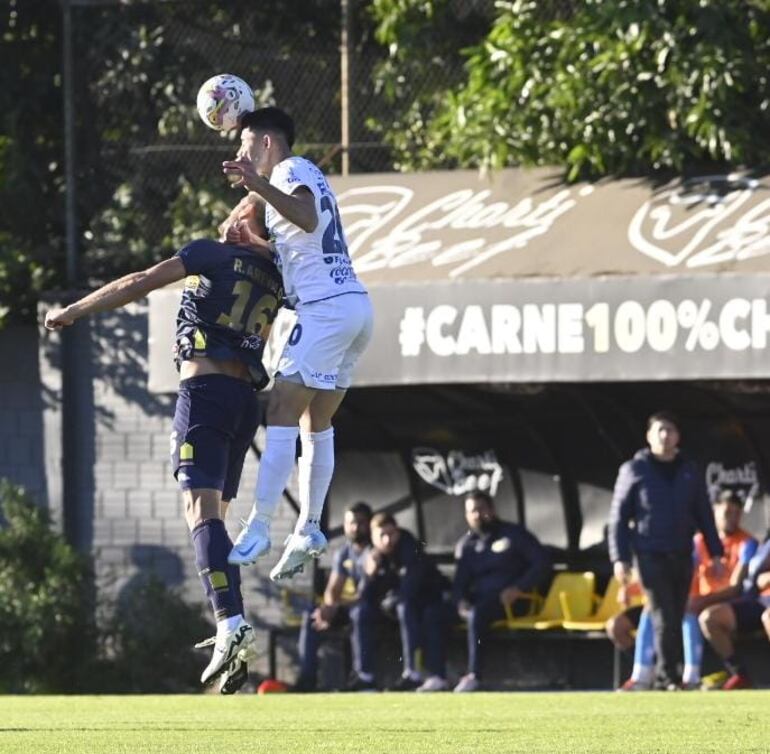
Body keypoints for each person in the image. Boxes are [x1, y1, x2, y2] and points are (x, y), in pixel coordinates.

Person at [44, 198, 283, 693]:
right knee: (215, 517)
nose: (232, 212)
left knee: (199, 512)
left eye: (241, 208)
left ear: (243, 225)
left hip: (205, 393)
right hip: (244, 402)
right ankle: (231, 629)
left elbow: (139, 281)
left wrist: (74, 310)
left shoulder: (212, 253)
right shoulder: (277, 275)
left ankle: (229, 624)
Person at [221, 107, 374, 582]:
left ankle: (261, 525)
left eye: (246, 145)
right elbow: (302, 247)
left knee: (281, 409)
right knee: (316, 418)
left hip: (328, 310)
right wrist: (253, 241)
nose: (241, 154)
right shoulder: (294, 180)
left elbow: (306, 217)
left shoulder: (290, 169)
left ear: (267, 143)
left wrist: (256, 184)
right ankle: (308, 527)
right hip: (352, 308)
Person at [609, 410, 725, 689]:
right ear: (649, 436)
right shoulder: (634, 470)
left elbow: (704, 514)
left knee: (676, 613)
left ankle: (664, 673)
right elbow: (618, 518)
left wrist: (715, 552)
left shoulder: (688, 469)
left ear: (678, 436)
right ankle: (666, 676)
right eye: (659, 430)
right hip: (649, 553)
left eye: (670, 430)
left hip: (682, 552)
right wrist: (620, 558)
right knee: (663, 614)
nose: (665, 435)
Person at [615, 489, 757, 690]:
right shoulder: (698, 542)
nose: (732, 518)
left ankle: (691, 678)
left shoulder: (747, 543)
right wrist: (633, 589)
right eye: (727, 513)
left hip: (721, 605)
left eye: (737, 513)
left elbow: (736, 588)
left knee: (691, 612)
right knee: (651, 607)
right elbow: (672, 576)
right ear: (714, 512)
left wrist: (698, 601)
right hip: (691, 602)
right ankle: (642, 675)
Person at [452, 491, 551, 692]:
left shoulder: (514, 534)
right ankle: (434, 675)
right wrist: (460, 600)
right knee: (433, 613)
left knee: (478, 613)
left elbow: (542, 564)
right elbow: (460, 582)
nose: (478, 515)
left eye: (481, 509)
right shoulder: (466, 545)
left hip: (514, 601)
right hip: (478, 601)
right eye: (472, 511)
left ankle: (474, 675)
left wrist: (519, 587)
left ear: (492, 509)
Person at [360, 512, 456, 692]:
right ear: (373, 537)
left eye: (391, 534)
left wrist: (387, 602)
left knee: (420, 612)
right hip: (401, 608)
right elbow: (365, 597)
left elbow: (408, 591)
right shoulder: (372, 555)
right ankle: (364, 677)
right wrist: (370, 574)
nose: (387, 540)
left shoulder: (410, 548)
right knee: (362, 613)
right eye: (382, 536)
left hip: (433, 600)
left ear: (398, 532)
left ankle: (416, 673)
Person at [295, 501, 377, 692]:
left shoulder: (374, 550)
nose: (355, 527)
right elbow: (333, 589)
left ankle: (364, 678)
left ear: (369, 523)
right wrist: (329, 607)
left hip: (372, 607)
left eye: (360, 522)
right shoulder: (344, 552)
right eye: (351, 523)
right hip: (350, 606)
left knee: (359, 612)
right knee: (312, 616)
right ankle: (307, 680)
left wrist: (336, 606)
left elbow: (366, 594)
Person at [699, 534, 770, 689]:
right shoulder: (757, 543)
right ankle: (740, 674)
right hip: (758, 600)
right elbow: (756, 580)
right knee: (710, 618)